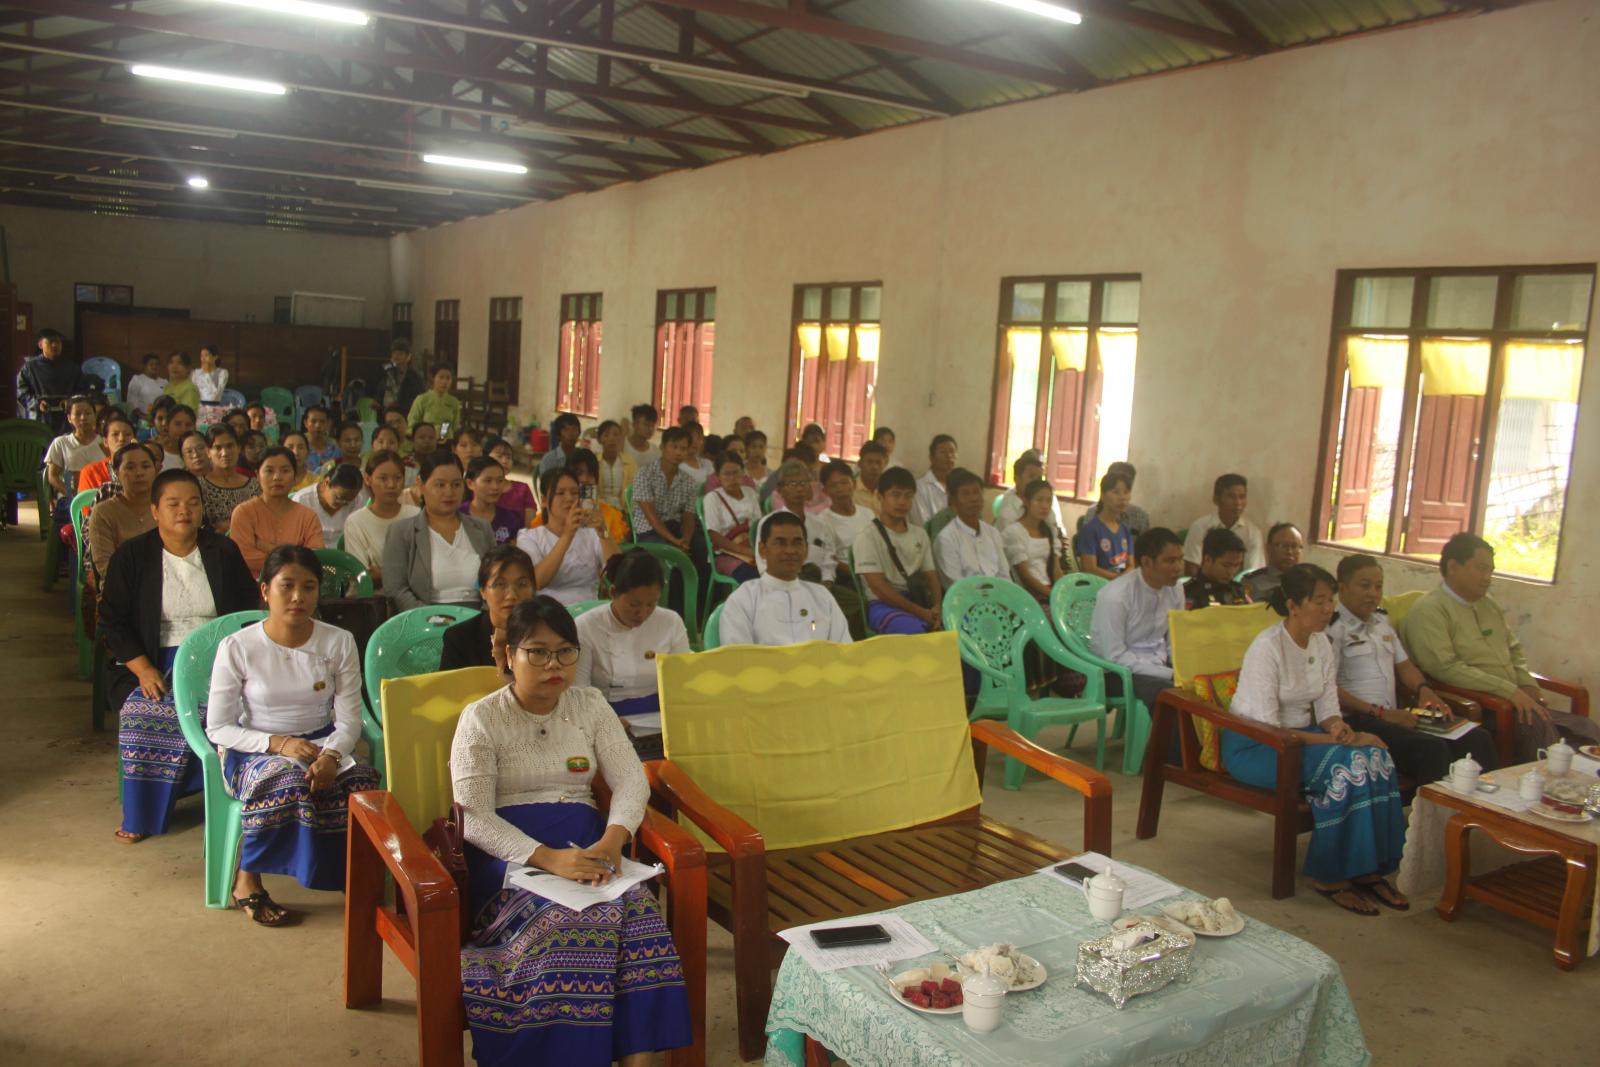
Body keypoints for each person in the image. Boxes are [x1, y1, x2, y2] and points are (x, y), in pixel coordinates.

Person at [450, 596, 692, 1064]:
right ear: (509, 655)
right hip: (511, 861)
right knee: (571, 932)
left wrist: (614, 840)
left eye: (565, 651)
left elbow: (631, 780)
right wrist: (550, 859)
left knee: (642, 924)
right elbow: (474, 816)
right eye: (537, 652)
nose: (553, 665)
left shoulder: (590, 705)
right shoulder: (481, 718)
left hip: (590, 848)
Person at [205, 545, 380, 925]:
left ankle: (351, 878)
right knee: (286, 781)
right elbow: (218, 727)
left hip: (321, 742)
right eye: (287, 586)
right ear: (265, 590)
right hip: (253, 748)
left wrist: (331, 756)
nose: (298, 597)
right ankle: (247, 879)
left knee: (362, 782)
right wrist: (278, 744)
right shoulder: (238, 647)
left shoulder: (338, 641)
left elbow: (349, 720)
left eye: (309, 587)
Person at [1224, 564, 1407, 916]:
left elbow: (1327, 708)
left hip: (1301, 738)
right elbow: (1271, 730)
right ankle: (1331, 876)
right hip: (1257, 745)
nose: (1328, 609)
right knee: (1348, 767)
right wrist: (1342, 742)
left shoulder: (1321, 643)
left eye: (1330, 600)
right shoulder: (1268, 647)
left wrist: (1338, 728)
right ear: (1293, 605)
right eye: (1319, 601)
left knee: (1377, 758)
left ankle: (1368, 869)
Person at [100, 469, 260, 841]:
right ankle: (143, 815)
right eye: (173, 504)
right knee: (145, 713)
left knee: (244, 710)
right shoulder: (133, 555)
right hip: (155, 659)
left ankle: (227, 787)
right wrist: (143, 668)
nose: (184, 511)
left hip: (218, 657)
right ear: (155, 510)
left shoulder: (222, 551)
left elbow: (247, 609)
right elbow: (112, 620)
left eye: (193, 503)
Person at [1400, 532, 1600, 760]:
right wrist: (1509, 692)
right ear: (1453, 566)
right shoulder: (1429, 610)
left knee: (1584, 728)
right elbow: (1445, 668)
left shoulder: (1488, 605)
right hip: (1478, 705)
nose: (1488, 578)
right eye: (1481, 569)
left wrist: (1527, 684)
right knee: (1539, 727)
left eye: (1491, 571)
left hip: (1513, 700)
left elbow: (1513, 649)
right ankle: (1540, 782)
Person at [1328, 555, 1497, 784]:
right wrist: (1381, 713)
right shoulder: (1331, 628)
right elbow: (1329, 689)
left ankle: (1478, 804)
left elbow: (1405, 665)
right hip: (1358, 720)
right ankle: (1430, 808)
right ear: (1342, 589)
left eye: (1378, 586)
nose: (1373, 593)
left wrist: (1424, 690)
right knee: (1432, 749)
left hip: (1394, 715)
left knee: (1477, 738)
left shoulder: (1381, 622)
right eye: (1365, 586)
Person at [574, 551, 691, 750]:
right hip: (604, 717)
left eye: (651, 604)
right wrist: (604, 721)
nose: (642, 613)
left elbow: (682, 683)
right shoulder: (586, 627)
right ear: (613, 593)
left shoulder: (670, 622)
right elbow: (578, 691)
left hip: (659, 719)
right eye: (634, 604)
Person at [720, 511, 852, 647]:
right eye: (780, 543)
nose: (790, 550)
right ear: (762, 549)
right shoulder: (744, 600)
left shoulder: (822, 597)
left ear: (806, 550)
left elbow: (843, 650)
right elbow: (739, 656)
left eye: (797, 543)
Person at [1089, 527, 1187, 709]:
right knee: (1170, 696)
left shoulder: (1176, 588)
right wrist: (1168, 674)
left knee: (1202, 686)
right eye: (1170, 561)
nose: (1179, 567)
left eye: (1181, 559)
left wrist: (1182, 668)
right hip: (1117, 673)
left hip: (1160, 665)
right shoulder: (1116, 595)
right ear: (1146, 562)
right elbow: (1115, 656)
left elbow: (1175, 638)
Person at [383, 454, 496, 611]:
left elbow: (496, 580)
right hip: (424, 617)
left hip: (479, 616)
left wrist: (484, 616)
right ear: (421, 485)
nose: (449, 492)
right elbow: (396, 590)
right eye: (440, 485)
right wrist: (430, 618)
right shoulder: (401, 532)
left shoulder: (482, 528)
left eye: (456, 485)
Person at [853, 466, 941, 634]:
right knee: (917, 632)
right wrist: (921, 613)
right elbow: (879, 588)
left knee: (960, 628)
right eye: (895, 495)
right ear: (880, 497)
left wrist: (937, 607)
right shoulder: (867, 537)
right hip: (883, 605)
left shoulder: (920, 534)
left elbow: (931, 575)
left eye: (908, 496)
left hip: (918, 599)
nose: (902, 502)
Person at [517, 468, 617, 605]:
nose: (569, 498)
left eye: (574, 493)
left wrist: (603, 532)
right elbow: (537, 581)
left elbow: (618, 574)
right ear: (544, 501)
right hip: (548, 610)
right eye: (560, 493)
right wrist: (568, 534)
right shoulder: (529, 537)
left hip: (590, 609)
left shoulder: (591, 533)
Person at [439, 545, 537, 671]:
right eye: (500, 584)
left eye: (522, 584)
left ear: (533, 589)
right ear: (483, 591)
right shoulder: (459, 638)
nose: (511, 595)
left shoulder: (547, 633)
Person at [229, 446, 325, 575]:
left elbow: (315, 559)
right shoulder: (243, 513)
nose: (277, 477)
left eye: (285, 471)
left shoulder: (308, 516)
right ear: (257, 476)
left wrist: (265, 546)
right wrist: (295, 556)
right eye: (269, 471)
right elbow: (245, 557)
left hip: (296, 584)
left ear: (295, 476)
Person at [341, 450, 417, 589]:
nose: (391, 485)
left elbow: (427, 569)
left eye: (398, 478)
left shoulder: (416, 515)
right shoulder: (356, 521)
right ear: (368, 479)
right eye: (383, 478)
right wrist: (407, 574)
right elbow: (361, 576)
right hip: (372, 597)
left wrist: (382, 574)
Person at [86, 442, 158, 584]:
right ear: (117, 473)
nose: (139, 473)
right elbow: (105, 567)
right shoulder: (103, 512)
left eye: (145, 466)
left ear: (156, 470)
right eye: (130, 468)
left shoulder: (167, 507)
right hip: (121, 586)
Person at [758, 460, 838, 582]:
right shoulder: (769, 523)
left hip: (819, 583)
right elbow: (763, 564)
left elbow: (829, 558)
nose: (799, 489)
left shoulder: (820, 523)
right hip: (782, 583)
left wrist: (827, 581)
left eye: (803, 483)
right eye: (793, 484)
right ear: (780, 490)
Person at [934, 468, 1009, 585]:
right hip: (966, 595)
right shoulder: (946, 538)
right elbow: (956, 585)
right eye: (965, 494)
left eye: (976, 492)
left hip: (999, 594)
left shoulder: (993, 533)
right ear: (953, 501)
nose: (973, 499)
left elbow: (1005, 576)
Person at [629, 426, 698, 553]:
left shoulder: (689, 481)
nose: (678, 452)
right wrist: (674, 541)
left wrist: (686, 540)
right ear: (662, 447)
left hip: (674, 528)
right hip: (649, 531)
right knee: (667, 551)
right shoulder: (645, 474)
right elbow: (652, 517)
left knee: (701, 546)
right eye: (674, 447)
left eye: (683, 449)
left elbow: (688, 516)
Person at [1182, 473, 1264, 576]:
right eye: (1231, 497)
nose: (1238, 503)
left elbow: (1253, 573)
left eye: (1242, 497)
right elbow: (1192, 570)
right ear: (1216, 499)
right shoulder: (1199, 527)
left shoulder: (1253, 532)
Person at [1003, 478, 1067, 600]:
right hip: (1027, 595)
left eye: (1048, 501)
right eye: (1039, 500)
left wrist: (1062, 592)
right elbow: (1025, 576)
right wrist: (1052, 595)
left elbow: (1056, 570)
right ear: (1026, 501)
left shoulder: (1049, 530)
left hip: (1049, 591)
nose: (1044, 506)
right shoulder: (1014, 532)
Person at [704, 451, 761, 582]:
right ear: (718, 476)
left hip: (752, 548)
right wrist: (743, 551)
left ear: (743, 472)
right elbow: (714, 535)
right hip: (725, 554)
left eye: (736, 473)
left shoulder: (750, 493)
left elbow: (758, 525)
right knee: (751, 575)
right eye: (726, 474)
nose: (732, 478)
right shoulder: (712, 498)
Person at [17, 327, 91, 426]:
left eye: (58, 342)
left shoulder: (72, 368)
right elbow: (20, 391)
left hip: (66, 418)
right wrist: (36, 403)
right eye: (50, 342)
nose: (54, 345)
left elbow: (83, 390)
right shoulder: (30, 367)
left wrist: (71, 401)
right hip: (39, 417)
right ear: (40, 345)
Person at [814, 460, 873, 582]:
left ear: (854, 484)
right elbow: (830, 560)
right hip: (849, 579)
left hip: (875, 572)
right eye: (833, 485)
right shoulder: (823, 520)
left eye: (844, 482)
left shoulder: (868, 514)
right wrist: (862, 576)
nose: (840, 489)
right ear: (825, 491)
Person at [198, 426, 260, 535]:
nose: (225, 453)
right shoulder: (199, 487)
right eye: (218, 448)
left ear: (239, 448)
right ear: (208, 452)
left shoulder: (254, 485)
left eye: (230, 446)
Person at [1075, 469, 1135, 579]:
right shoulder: (1090, 530)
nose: (1122, 498)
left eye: (1126, 492)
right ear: (1102, 495)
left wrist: (1123, 580)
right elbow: (1089, 569)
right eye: (1116, 492)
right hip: (1100, 587)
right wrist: (1117, 579)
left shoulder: (1125, 530)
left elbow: (1131, 565)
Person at [44, 394, 101, 502]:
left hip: (101, 497)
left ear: (95, 416)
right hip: (70, 498)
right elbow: (52, 476)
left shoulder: (104, 442)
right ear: (69, 418)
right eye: (78, 414)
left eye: (88, 413)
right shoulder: (61, 443)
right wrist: (73, 495)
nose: (83, 418)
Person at [291, 463, 364, 546]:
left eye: (349, 500)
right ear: (326, 482)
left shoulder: (357, 500)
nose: (344, 503)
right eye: (339, 498)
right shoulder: (302, 500)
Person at [1077, 461, 1151, 538]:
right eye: (1116, 491)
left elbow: (1146, 545)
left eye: (1126, 490)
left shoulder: (1140, 516)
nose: (1122, 497)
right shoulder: (1093, 512)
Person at [1185, 528, 1252, 609]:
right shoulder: (1189, 593)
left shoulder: (1238, 591)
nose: (1231, 572)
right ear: (1208, 559)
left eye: (1237, 565)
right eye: (1226, 565)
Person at [464, 455, 524, 544]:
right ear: (470, 484)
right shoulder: (457, 516)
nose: (495, 487)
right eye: (488, 481)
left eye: (500, 481)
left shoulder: (512, 518)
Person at [1243, 523, 1305, 603]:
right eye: (1284, 546)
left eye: (1295, 546)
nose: (1290, 552)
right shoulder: (1252, 582)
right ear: (1268, 548)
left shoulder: (1309, 582)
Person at [78, 412, 138, 493]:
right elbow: (88, 501)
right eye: (115, 434)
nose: (121, 439)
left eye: (127, 434)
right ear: (105, 442)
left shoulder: (144, 468)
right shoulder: (91, 472)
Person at [486, 436, 537, 527]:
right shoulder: (477, 488)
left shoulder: (523, 489)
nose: (505, 461)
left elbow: (529, 528)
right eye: (499, 456)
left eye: (509, 457)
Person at [912, 434, 957, 526]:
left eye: (952, 452)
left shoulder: (960, 485)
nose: (949, 456)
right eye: (943, 452)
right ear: (932, 458)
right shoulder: (919, 487)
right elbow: (923, 524)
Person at [593, 419, 637, 511]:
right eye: (606, 435)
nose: (611, 439)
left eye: (616, 435)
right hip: (598, 510)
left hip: (623, 510)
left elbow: (634, 490)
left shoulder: (630, 463)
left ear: (621, 438)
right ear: (599, 439)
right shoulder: (594, 462)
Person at [995, 451, 1044, 531]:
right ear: (1016, 479)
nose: (1036, 482)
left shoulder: (1043, 501)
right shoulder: (1009, 512)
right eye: (1031, 476)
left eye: (1039, 478)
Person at [408, 364, 461, 433]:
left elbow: (455, 427)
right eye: (441, 377)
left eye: (448, 378)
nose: (445, 381)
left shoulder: (454, 401)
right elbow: (412, 423)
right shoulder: (422, 399)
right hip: (426, 436)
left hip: (447, 436)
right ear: (433, 379)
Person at [377, 338, 425, 414]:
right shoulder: (388, 370)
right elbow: (381, 388)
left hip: (404, 413)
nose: (396, 356)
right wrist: (377, 401)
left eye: (400, 354)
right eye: (394, 353)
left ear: (408, 357)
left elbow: (418, 398)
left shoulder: (415, 376)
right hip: (384, 412)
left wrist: (399, 405)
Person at [125, 352, 167, 417]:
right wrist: (143, 416)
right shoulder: (137, 380)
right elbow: (131, 402)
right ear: (144, 366)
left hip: (161, 417)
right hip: (141, 418)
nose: (154, 367)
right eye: (151, 364)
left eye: (157, 364)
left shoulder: (164, 382)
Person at [159, 405, 197, 472]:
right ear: (167, 426)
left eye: (188, 425)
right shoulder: (158, 453)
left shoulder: (200, 454)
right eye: (177, 424)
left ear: (195, 427)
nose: (183, 429)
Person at [853, 439, 887, 514]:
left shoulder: (889, 490)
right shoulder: (850, 490)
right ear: (860, 463)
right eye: (869, 462)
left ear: (885, 464)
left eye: (879, 463)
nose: (875, 467)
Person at [302, 405, 339, 473]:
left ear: (328, 423)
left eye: (322, 422)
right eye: (313, 421)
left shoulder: (336, 447)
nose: (318, 425)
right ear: (305, 423)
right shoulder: (298, 444)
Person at [678, 421, 715, 486]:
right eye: (691, 437)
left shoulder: (707, 464)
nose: (695, 442)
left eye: (699, 438)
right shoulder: (676, 465)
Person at [624, 403, 659, 467]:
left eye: (653, 425)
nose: (650, 429)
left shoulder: (656, 452)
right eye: (646, 424)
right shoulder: (622, 446)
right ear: (634, 424)